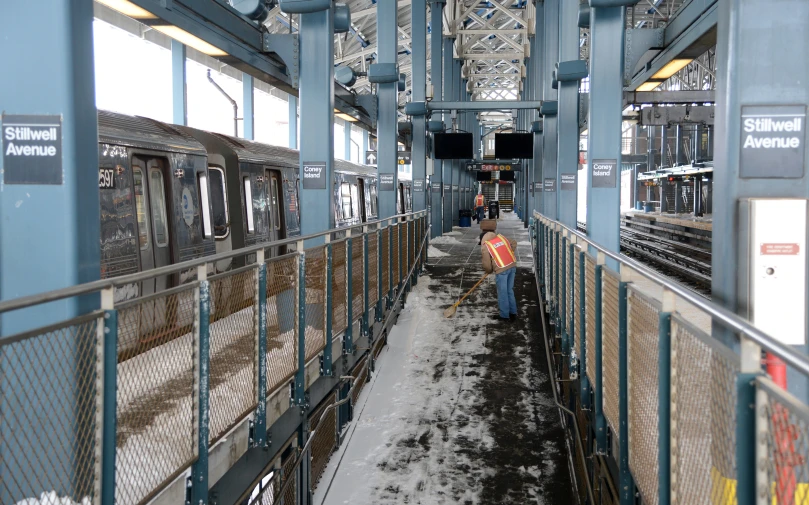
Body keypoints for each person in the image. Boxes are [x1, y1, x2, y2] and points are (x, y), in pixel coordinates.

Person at [481, 225, 518, 322]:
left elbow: (487, 264)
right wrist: (506, 253)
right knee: (509, 290)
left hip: (501, 270)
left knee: (503, 293)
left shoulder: (486, 246)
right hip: (512, 265)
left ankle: (504, 315)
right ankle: (513, 313)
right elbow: (514, 243)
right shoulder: (501, 238)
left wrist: (489, 270)